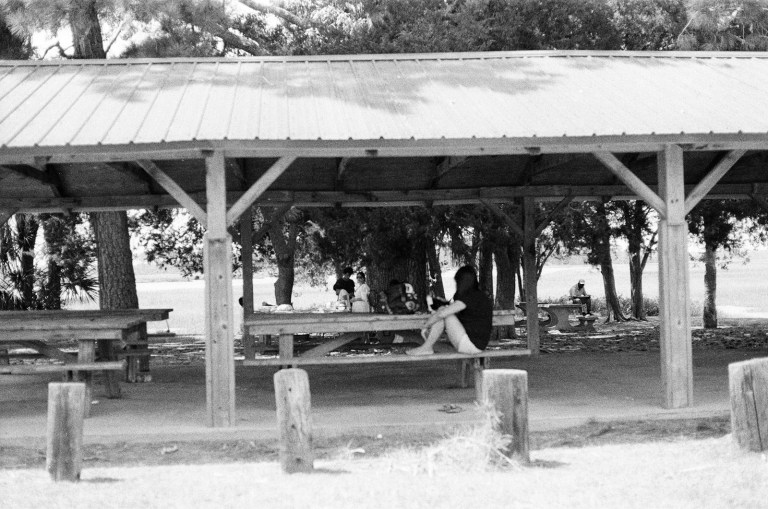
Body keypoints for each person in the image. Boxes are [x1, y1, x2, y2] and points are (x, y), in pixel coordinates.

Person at [406, 266, 492, 356]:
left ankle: (426, 347)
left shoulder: (469, 296)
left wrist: (426, 325)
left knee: (443, 312)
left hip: (470, 346)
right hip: (476, 345)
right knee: (443, 311)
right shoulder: (479, 296)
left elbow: (443, 313)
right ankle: (427, 347)